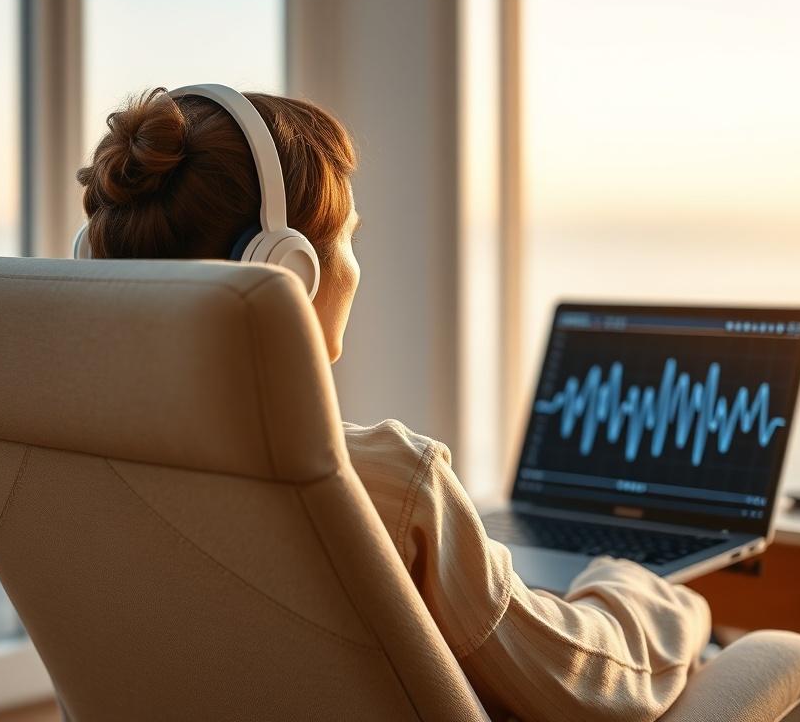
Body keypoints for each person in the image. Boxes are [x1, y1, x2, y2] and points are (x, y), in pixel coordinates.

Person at [77, 87, 713, 721]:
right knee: (787, 653)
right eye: (351, 237)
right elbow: (586, 687)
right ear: (287, 270)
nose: (356, 266)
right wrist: (649, 595)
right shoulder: (384, 479)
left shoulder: (73, 454)